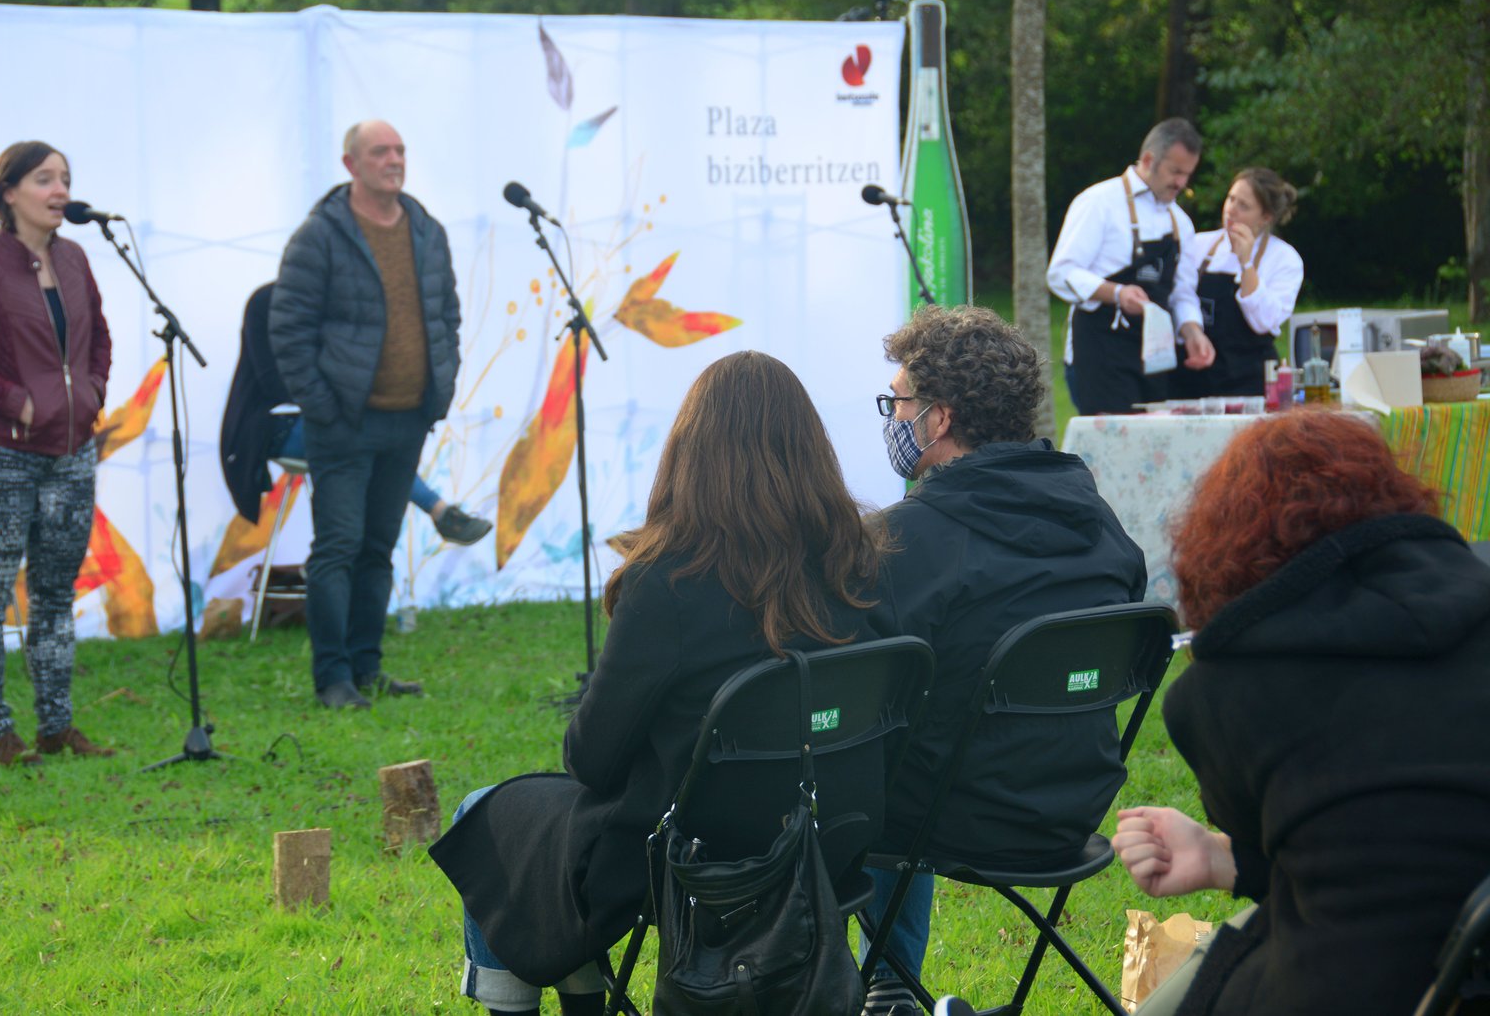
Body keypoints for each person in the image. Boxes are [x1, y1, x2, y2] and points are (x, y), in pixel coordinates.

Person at [430, 351, 897, 1016]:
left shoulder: (669, 581)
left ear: (688, 456)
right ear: (811, 451)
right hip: (829, 843)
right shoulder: (861, 567)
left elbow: (590, 760)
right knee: (546, 836)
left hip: (684, 858)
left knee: (485, 809)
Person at [1112, 411, 1490, 1015]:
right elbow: (1388, 843)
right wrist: (1214, 857)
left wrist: (1221, 850)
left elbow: (1353, 849)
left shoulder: (1224, 693)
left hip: (1353, 985)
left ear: (1226, 546)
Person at [861, 306, 1147, 1016]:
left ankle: (866, 986)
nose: (893, 418)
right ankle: (890, 988)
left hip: (950, 817)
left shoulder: (907, 540)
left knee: (833, 762)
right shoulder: (1098, 519)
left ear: (940, 418)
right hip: (1072, 809)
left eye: (899, 403)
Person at [0, 140, 114, 765]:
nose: (60, 191)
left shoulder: (76, 258)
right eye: (44, 179)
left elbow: (99, 338)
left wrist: (93, 393)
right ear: (8, 192)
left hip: (72, 454)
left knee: (56, 595)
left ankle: (56, 727)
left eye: (65, 179)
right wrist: (16, 401)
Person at [269, 120, 462, 710]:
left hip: (409, 418)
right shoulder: (319, 236)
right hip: (343, 423)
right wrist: (323, 406)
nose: (394, 160)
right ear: (351, 164)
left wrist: (440, 388)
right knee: (339, 547)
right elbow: (289, 329)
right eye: (380, 152)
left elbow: (447, 317)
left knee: (378, 547)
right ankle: (333, 677)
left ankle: (367, 666)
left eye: (400, 150)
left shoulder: (426, 229)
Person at [220, 282, 490, 542]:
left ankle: (432, 516)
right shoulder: (267, 301)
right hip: (271, 425)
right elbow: (273, 382)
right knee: (364, 440)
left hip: (325, 422)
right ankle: (438, 512)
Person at [1048, 118, 1215, 415]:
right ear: (1149, 160)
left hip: (1154, 360)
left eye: (1187, 174)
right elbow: (1062, 273)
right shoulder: (1099, 202)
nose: (1181, 183)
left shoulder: (1181, 223)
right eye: (1175, 172)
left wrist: (1192, 332)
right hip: (1100, 356)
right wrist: (1117, 293)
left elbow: (1182, 293)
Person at [1170, 168, 1304, 398]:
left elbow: (1265, 321)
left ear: (1266, 217)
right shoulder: (1199, 245)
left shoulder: (1284, 258)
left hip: (1248, 383)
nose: (1231, 209)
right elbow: (1178, 298)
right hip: (1191, 379)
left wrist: (1246, 263)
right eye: (1231, 199)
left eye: (1244, 206)